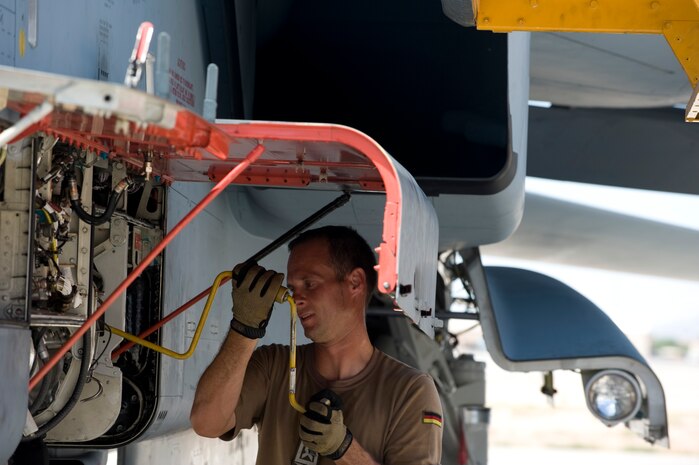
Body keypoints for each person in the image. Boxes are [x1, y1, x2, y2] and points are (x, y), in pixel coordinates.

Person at [190, 226, 442, 464]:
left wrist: (344, 449)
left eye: (310, 284)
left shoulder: (410, 392)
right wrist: (244, 328)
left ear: (355, 282)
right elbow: (206, 421)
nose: (297, 299)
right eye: (293, 289)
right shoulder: (273, 365)